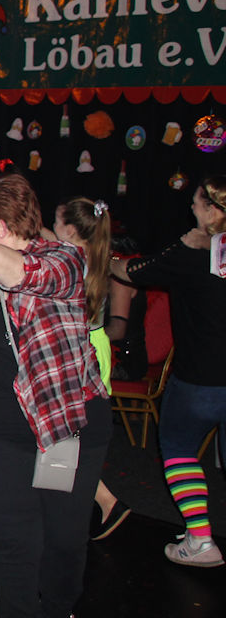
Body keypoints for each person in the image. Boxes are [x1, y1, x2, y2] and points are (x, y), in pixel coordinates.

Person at [0, 174, 110, 618]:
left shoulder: (64, 259)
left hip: (65, 426)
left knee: (63, 540)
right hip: (0, 434)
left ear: (1, 225)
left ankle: (59, 609)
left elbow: (23, 273)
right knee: (13, 541)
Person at [112, 176, 226, 568]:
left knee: (179, 450)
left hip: (199, 380)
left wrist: (105, 259)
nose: (191, 207)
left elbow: (134, 271)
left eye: (197, 202)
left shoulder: (191, 252)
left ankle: (200, 540)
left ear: (212, 210)